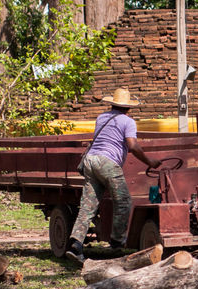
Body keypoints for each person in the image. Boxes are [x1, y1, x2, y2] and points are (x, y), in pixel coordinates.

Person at [67, 88, 157, 261]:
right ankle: (117, 241)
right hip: (107, 163)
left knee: (88, 206)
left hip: (90, 161)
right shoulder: (128, 121)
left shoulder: (101, 117)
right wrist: (149, 161)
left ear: (112, 103)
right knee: (123, 201)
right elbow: (132, 145)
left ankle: (76, 244)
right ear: (128, 107)